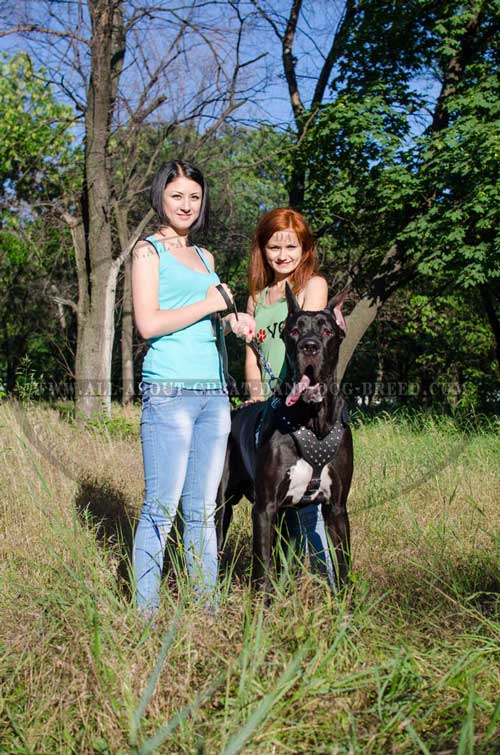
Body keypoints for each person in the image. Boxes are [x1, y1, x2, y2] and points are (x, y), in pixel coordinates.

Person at [132, 159, 254, 617]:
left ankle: (207, 614)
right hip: (170, 392)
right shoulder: (148, 251)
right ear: (161, 197)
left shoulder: (206, 258)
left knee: (204, 511)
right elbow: (149, 324)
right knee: (160, 510)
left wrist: (229, 320)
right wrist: (208, 302)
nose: (186, 205)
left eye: (194, 197)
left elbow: (205, 316)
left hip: (214, 394)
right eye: (177, 195)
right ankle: (144, 617)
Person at [245, 207, 334, 584]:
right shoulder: (258, 297)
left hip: (307, 406)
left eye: (291, 246)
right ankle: (281, 582)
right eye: (274, 246)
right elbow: (252, 353)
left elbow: (314, 345)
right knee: (274, 499)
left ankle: (326, 583)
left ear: (305, 248)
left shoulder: (312, 286)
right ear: (262, 250)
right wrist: (256, 398)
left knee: (310, 501)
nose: (282, 255)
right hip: (272, 408)